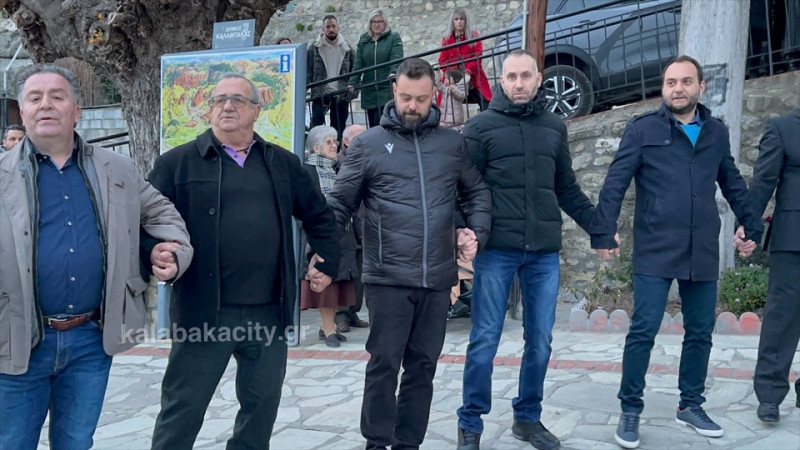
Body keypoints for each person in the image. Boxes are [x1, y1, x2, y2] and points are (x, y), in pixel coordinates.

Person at [0, 64, 192, 449]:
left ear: (77, 111)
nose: (45, 104)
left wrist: (172, 249)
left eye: (57, 96)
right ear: (23, 112)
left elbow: (161, 213)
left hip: (90, 340)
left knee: (76, 443)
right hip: (15, 338)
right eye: (35, 98)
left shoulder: (117, 169)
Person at [148, 73, 340, 449]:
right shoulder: (177, 164)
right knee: (183, 409)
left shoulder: (282, 163)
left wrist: (326, 260)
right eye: (219, 100)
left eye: (238, 100)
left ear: (256, 110)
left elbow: (319, 215)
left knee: (261, 409)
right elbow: (145, 220)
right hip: (203, 313)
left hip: (268, 312)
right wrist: (152, 253)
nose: (227, 106)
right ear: (208, 110)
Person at [590, 55, 763, 449]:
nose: (678, 89)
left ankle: (691, 404)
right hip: (655, 246)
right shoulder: (642, 129)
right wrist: (603, 230)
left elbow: (732, 182)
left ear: (701, 86)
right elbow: (615, 182)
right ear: (663, 89)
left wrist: (750, 226)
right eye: (671, 82)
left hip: (701, 246)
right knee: (643, 330)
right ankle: (630, 409)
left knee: (700, 331)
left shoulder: (716, 132)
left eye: (686, 81)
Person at [322, 57, 492, 449]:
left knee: (422, 368)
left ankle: (407, 443)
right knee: (383, 366)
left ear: (434, 95)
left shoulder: (451, 144)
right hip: (387, 278)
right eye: (405, 98)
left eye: (420, 99)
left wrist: (476, 233)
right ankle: (377, 442)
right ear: (394, 91)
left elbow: (477, 192)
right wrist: (323, 256)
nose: (412, 106)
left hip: (437, 278)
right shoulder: (367, 145)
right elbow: (339, 204)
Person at [456, 49, 596, 450]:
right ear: (501, 81)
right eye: (512, 76)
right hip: (496, 250)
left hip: (542, 254)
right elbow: (462, 187)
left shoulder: (554, 127)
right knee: (485, 337)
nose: (519, 83)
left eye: (526, 76)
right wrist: (462, 231)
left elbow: (566, 187)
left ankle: (528, 419)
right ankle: (470, 422)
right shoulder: (479, 128)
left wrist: (599, 228)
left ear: (538, 79)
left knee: (541, 340)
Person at [739, 109, 800, 423]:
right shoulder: (782, 128)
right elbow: (763, 180)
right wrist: (748, 226)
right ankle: (770, 395)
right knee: (781, 318)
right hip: (793, 237)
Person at [300, 125, 358, 348]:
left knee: (339, 282)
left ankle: (327, 326)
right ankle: (328, 328)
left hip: (343, 234)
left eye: (335, 142)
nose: (334, 146)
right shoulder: (307, 171)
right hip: (319, 236)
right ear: (316, 147)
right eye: (329, 142)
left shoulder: (338, 169)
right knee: (325, 282)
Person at [334, 123, 369, 333]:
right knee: (344, 273)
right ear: (346, 141)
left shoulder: (368, 159)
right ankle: (341, 315)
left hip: (363, 223)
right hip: (346, 224)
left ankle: (353, 311)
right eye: (358, 137)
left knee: (359, 273)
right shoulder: (339, 164)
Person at [347, 9, 404, 128]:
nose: (377, 24)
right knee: (373, 123)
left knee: (382, 121)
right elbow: (358, 63)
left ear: (385, 23)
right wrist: (353, 81)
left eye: (380, 21)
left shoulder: (393, 37)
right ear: (370, 23)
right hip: (369, 88)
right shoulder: (364, 40)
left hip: (386, 86)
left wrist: (394, 71)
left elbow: (397, 57)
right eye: (374, 22)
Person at [307, 15, 356, 143]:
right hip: (320, 95)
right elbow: (307, 72)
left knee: (339, 130)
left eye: (333, 26)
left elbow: (355, 72)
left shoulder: (347, 50)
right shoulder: (314, 49)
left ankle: (337, 154)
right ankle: (317, 154)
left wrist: (352, 92)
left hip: (341, 95)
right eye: (328, 27)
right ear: (323, 29)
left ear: (338, 27)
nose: (331, 29)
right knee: (317, 130)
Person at [438, 7, 493, 111]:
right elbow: (442, 60)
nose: (459, 22)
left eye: (461, 19)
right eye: (456, 19)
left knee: (485, 101)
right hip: (453, 78)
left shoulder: (473, 36)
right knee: (446, 105)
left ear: (465, 21)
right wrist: (454, 73)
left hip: (472, 76)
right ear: (452, 21)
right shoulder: (447, 39)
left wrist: (468, 71)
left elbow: (478, 56)